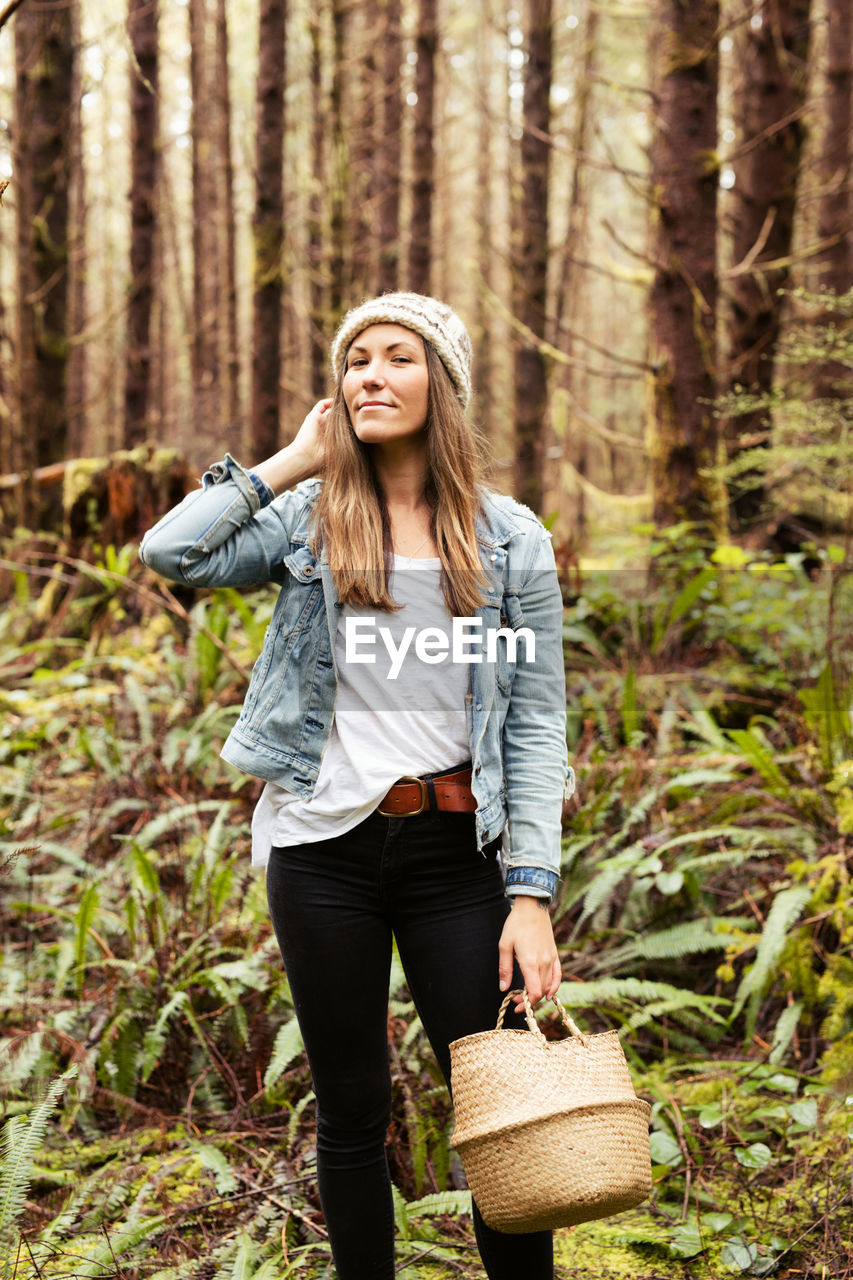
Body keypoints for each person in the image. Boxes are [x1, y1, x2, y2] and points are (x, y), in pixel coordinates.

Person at [139, 292, 573, 1279]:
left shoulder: (510, 541)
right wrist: (293, 460)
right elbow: (173, 549)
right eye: (355, 361)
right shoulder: (306, 518)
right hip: (320, 850)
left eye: (397, 358)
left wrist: (530, 892)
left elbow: (538, 720)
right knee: (349, 1107)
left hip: (458, 858)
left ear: (443, 386)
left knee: (501, 1104)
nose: (370, 375)